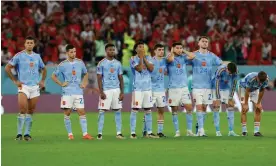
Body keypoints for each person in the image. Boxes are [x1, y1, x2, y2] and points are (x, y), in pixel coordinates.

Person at [5, 36, 47, 141]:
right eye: (27, 43)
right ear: (25, 44)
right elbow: (7, 68)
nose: (29, 44)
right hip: (23, 86)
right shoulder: (19, 56)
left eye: (31, 43)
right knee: (22, 109)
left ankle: (27, 134)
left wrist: (42, 81)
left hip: (35, 87)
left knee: (31, 111)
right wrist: (15, 81)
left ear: (34, 44)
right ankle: (19, 134)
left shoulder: (37, 56)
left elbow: (44, 69)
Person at [51, 44, 93, 140]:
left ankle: (85, 134)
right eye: (71, 52)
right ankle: (70, 134)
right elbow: (53, 76)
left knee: (81, 111)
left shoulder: (80, 62)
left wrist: (84, 83)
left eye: (74, 51)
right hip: (67, 92)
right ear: (67, 53)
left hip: (78, 91)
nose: (74, 53)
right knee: (67, 112)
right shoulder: (62, 65)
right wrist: (61, 84)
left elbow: (86, 73)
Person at [191, 36, 222, 136]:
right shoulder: (194, 55)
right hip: (196, 86)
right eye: (203, 41)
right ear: (198, 43)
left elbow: (221, 64)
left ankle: (199, 127)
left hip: (208, 86)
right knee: (199, 107)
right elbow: (183, 61)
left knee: (204, 108)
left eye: (206, 42)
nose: (205, 43)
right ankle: (201, 130)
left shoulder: (212, 56)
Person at [129, 41, 159, 139]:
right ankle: (133, 132)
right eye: (140, 47)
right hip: (137, 88)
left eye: (143, 47)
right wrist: (141, 58)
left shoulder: (149, 58)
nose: (142, 48)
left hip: (148, 88)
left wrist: (144, 58)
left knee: (148, 110)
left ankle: (149, 132)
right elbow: (140, 68)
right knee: (135, 109)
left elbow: (151, 68)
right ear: (136, 49)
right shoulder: (133, 59)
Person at [166, 42, 196, 137]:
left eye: (181, 48)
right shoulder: (169, 57)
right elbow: (170, 59)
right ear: (173, 49)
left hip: (184, 87)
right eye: (177, 48)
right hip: (173, 88)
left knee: (189, 108)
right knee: (175, 110)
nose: (179, 49)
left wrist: (183, 50)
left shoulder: (183, 58)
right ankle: (177, 131)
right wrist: (172, 51)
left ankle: (189, 131)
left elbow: (192, 56)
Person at [96, 43, 125, 140]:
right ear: (106, 51)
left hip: (116, 90)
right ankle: (99, 133)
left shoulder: (118, 63)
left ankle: (119, 133)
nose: (112, 51)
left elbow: (120, 78)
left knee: (118, 110)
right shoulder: (101, 63)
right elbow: (99, 78)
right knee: (102, 111)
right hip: (106, 90)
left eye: (113, 50)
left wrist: (122, 92)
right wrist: (101, 92)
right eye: (110, 50)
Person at [143, 44, 167, 137]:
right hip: (151, 89)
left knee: (161, 110)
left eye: (162, 49)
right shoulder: (150, 60)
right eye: (159, 50)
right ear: (155, 51)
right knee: (148, 110)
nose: (161, 51)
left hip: (161, 89)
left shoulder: (165, 61)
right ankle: (145, 131)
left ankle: (160, 132)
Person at [211, 62, 239, 136]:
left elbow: (234, 83)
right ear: (226, 69)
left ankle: (231, 131)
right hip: (216, 88)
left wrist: (231, 96)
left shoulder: (235, 71)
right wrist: (217, 96)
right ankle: (217, 131)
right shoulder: (220, 70)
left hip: (226, 88)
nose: (230, 74)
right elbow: (216, 83)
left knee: (231, 106)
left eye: (231, 74)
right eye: (229, 73)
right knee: (216, 107)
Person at [239, 71, 269, 136]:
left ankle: (256, 131)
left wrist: (258, 103)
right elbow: (247, 91)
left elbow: (262, 90)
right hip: (243, 88)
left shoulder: (266, 79)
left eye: (262, 82)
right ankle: (244, 131)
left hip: (255, 89)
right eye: (259, 81)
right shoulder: (251, 78)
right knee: (244, 109)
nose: (260, 83)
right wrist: (246, 103)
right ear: (257, 77)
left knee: (258, 109)